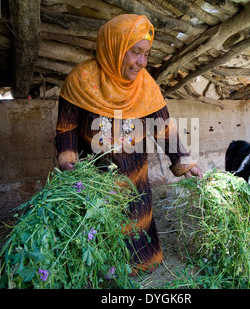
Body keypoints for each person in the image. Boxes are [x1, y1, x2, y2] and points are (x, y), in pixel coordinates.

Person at [55, 14, 203, 276]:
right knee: (99, 224)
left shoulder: (145, 85)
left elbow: (163, 126)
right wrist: (68, 158)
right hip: (94, 175)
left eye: (146, 54)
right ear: (114, 47)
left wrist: (182, 159)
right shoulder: (81, 79)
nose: (141, 62)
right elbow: (67, 125)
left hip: (135, 173)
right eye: (135, 52)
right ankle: (100, 267)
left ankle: (138, 263)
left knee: (137, 221)